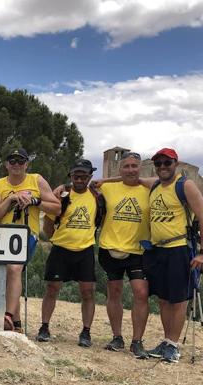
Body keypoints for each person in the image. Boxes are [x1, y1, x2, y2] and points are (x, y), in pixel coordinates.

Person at [140, 148, 203, 363]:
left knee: (178, 300)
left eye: (167, 163)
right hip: (158, 250)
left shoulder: (185, 185)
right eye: (158, 164)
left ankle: (174, 346)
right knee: (164, 299)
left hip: (179, 248)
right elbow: (132, 178)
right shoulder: (156, 185)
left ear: (176, 163)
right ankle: (168, 341)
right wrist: (104, 180)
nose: (162, 167)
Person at [0, 148, 60, 332]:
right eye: (12, 161)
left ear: (27, 164)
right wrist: (10, 200)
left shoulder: (36, 180)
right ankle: (16, 324)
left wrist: (35, 201)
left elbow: (57, 208)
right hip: (3, 234)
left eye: (21, 161)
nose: (16, 165)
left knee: (14, 268)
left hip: (26, 233)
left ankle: (8, 316)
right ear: (6, 165)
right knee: (8, 276)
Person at [37, 159, 100, 347]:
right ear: (71, 176)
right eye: (76, 175)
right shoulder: (61, 195)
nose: (79, 179)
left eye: (84, 175)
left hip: (85, 250)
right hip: (61, 249)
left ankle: (86, 331)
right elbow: (48, 222)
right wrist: (54, 238)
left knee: (88, 292)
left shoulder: (97, 196)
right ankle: (44, 326)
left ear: (90, 176)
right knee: (52, 289)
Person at [94, 152, 150, 358]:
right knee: (114, 292)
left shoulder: (150, 188)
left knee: (141, 293)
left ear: (141, 168)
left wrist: (136, 179)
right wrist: (110, 179)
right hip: (110, 248)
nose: (130, 170)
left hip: (138, 250)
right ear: (119, 169)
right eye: (126, 166)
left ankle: (137, 341)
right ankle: (117, 337)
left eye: (135, 166)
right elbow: (92, 185)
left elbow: (158, 180)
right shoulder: (108, 188)